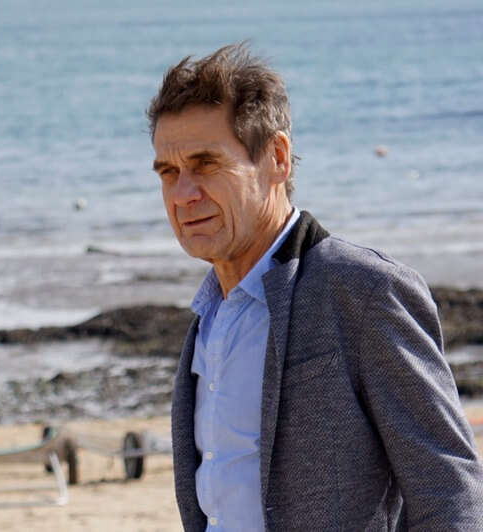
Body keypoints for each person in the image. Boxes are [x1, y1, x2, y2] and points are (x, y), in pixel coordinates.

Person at [147, 42, 483, 531]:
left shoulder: (364, 292)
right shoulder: (208, 320)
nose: (183, 195)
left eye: (206, 164)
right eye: (169, 172)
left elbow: (449, 490)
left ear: (277, 158)